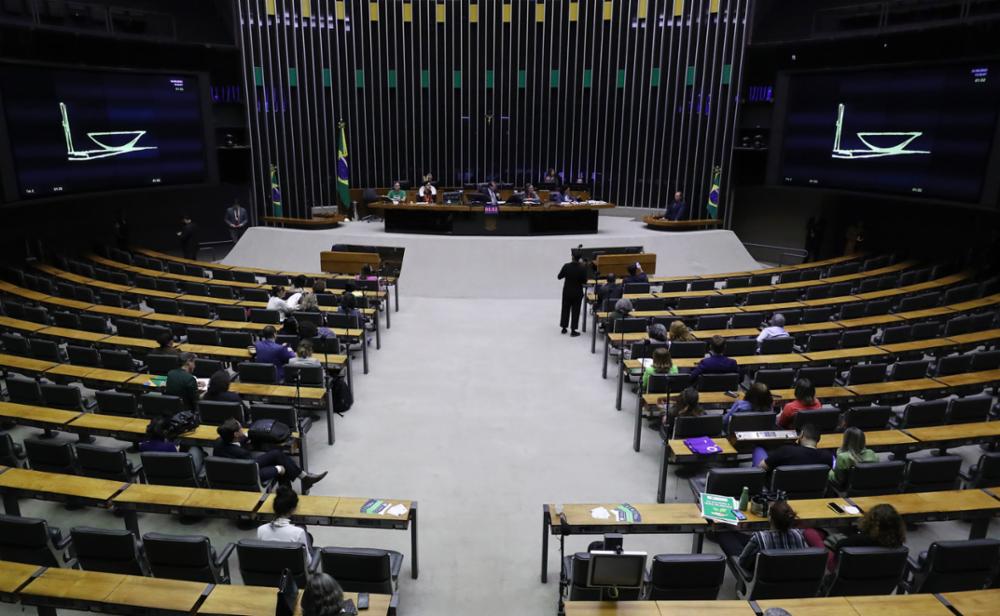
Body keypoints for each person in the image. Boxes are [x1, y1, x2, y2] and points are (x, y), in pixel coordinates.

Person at [213, 418, 327, 491]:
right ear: (236, 434)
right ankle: (299, 484)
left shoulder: (219, 442)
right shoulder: (242, 453)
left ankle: (303, 479)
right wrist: (277, 469)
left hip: (227, 474)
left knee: (277, 455)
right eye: (240, 428)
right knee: (281, 467)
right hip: (246, 476)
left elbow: (238, 445)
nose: (242, 429)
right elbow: (252, 471)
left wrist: (248, 436)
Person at [718, 501, 807, 574]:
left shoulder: (760, 538)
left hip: (762, 578)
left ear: (770, 518)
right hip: (790, 578)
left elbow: (742, 562)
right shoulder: (798, 535)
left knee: (724, 534)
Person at [257, 484, 314, 561]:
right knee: (305, 532)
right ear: (293, 509)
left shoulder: (261, 530)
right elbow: (308, 561)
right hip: (291, 571)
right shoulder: (298, 532)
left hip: (270, 569)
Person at [139, 415, 205, 474]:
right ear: (165, 432)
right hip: (178, 474)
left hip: (156, 476)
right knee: (195, 448)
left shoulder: (142, 446)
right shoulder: (170, 447)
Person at [758, 423, 832, 471]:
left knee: (758, 450)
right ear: (818, 439)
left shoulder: (785, 451)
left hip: (782, 493)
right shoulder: (828, 457)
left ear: (801, 434)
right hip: (815, 493)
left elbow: (762, 467)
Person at [557, 256, 588, 336]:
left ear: (572, 258)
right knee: (575, 311)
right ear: (579, 259)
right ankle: (573, 330)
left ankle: (564, 328)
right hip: (577, 292)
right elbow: (584, 281)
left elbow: (559, 277)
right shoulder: (582, 268)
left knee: (565, 309)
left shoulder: (566, 266)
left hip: (567, 291)